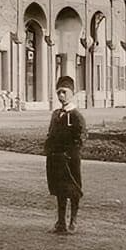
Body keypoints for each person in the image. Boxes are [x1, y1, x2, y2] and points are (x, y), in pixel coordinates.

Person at [43, 75, 86, 234]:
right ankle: (60, 222)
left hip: (70, 159)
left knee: (73, 189)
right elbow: (50, 134)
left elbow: (82, 136)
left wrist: (72, 152)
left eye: (64, 92)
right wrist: (48, 149)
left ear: (72, 94)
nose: (61, 96)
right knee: (60, 189)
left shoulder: (75, 115)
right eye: (59, 93)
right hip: (56, 158)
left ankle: (73, 221)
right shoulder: (56, 114)